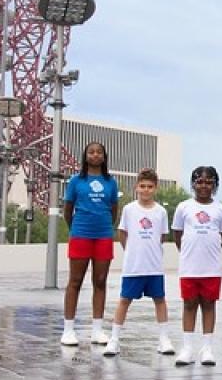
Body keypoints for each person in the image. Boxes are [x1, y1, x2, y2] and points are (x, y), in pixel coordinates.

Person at [103, 168, 174, 356]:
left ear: (156, 188)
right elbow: (122, 233)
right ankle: (114, 339)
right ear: (136, 187)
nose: (146, 190)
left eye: (150, 186)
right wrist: (132, 251)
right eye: (142, 186)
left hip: (154, 267)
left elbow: (162, 236)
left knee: (160, 300)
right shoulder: (129, 209)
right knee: (124, 300)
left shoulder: (161, 211)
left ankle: (164, 339)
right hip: (133, 267)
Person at [172, 166, 222, 366]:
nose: (204, 186)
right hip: (189, 267)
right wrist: (188, 253)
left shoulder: (221, 209)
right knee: (189, 304)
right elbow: (177, 234)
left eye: (209, 182)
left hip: (211, 268)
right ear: (193, 184)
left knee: (208, 304)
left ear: (215, 185)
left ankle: (207, 349)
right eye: (200, 182)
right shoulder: (183, 207)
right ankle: (187, 349)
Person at [61, 142, 118, 346]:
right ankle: (68, 330)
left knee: (100, 281)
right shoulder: (76, 181)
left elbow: (114, 210)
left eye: (99, 152)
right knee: (75, 281)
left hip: (103, 235)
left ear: (104, 157)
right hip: (80, 234)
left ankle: (97, 330)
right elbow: (68, 210)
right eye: (91, 152)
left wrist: (105, 227)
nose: (95, 155)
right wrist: (76, 228)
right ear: (85, 156)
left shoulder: (111, 182)